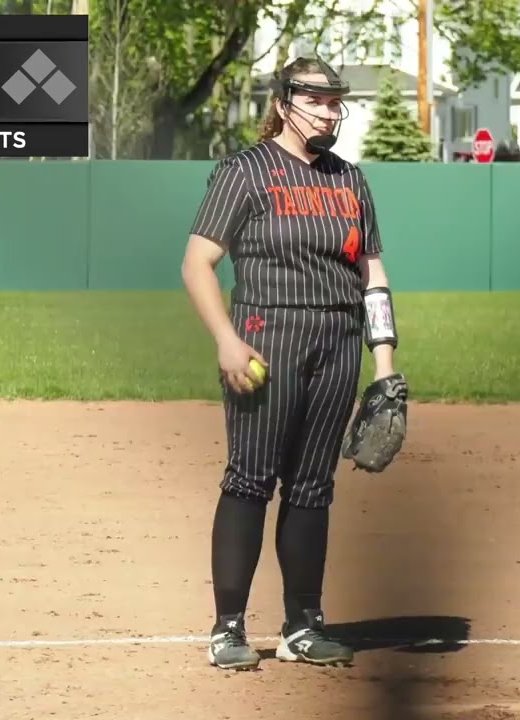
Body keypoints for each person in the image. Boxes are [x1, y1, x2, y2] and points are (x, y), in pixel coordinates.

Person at [180, 57, 401, 670]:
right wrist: (226, 339)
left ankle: (303, 624)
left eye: (337, 103)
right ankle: (228, 628)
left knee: (312, 487)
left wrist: (383, 363)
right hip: (264, 339)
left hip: (337, 341)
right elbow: (198, 263)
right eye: (318, 101)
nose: (331, 112)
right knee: (250, 479)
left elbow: (372, 275)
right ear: (284, 103)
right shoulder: (245, 173)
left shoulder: (350, 181)